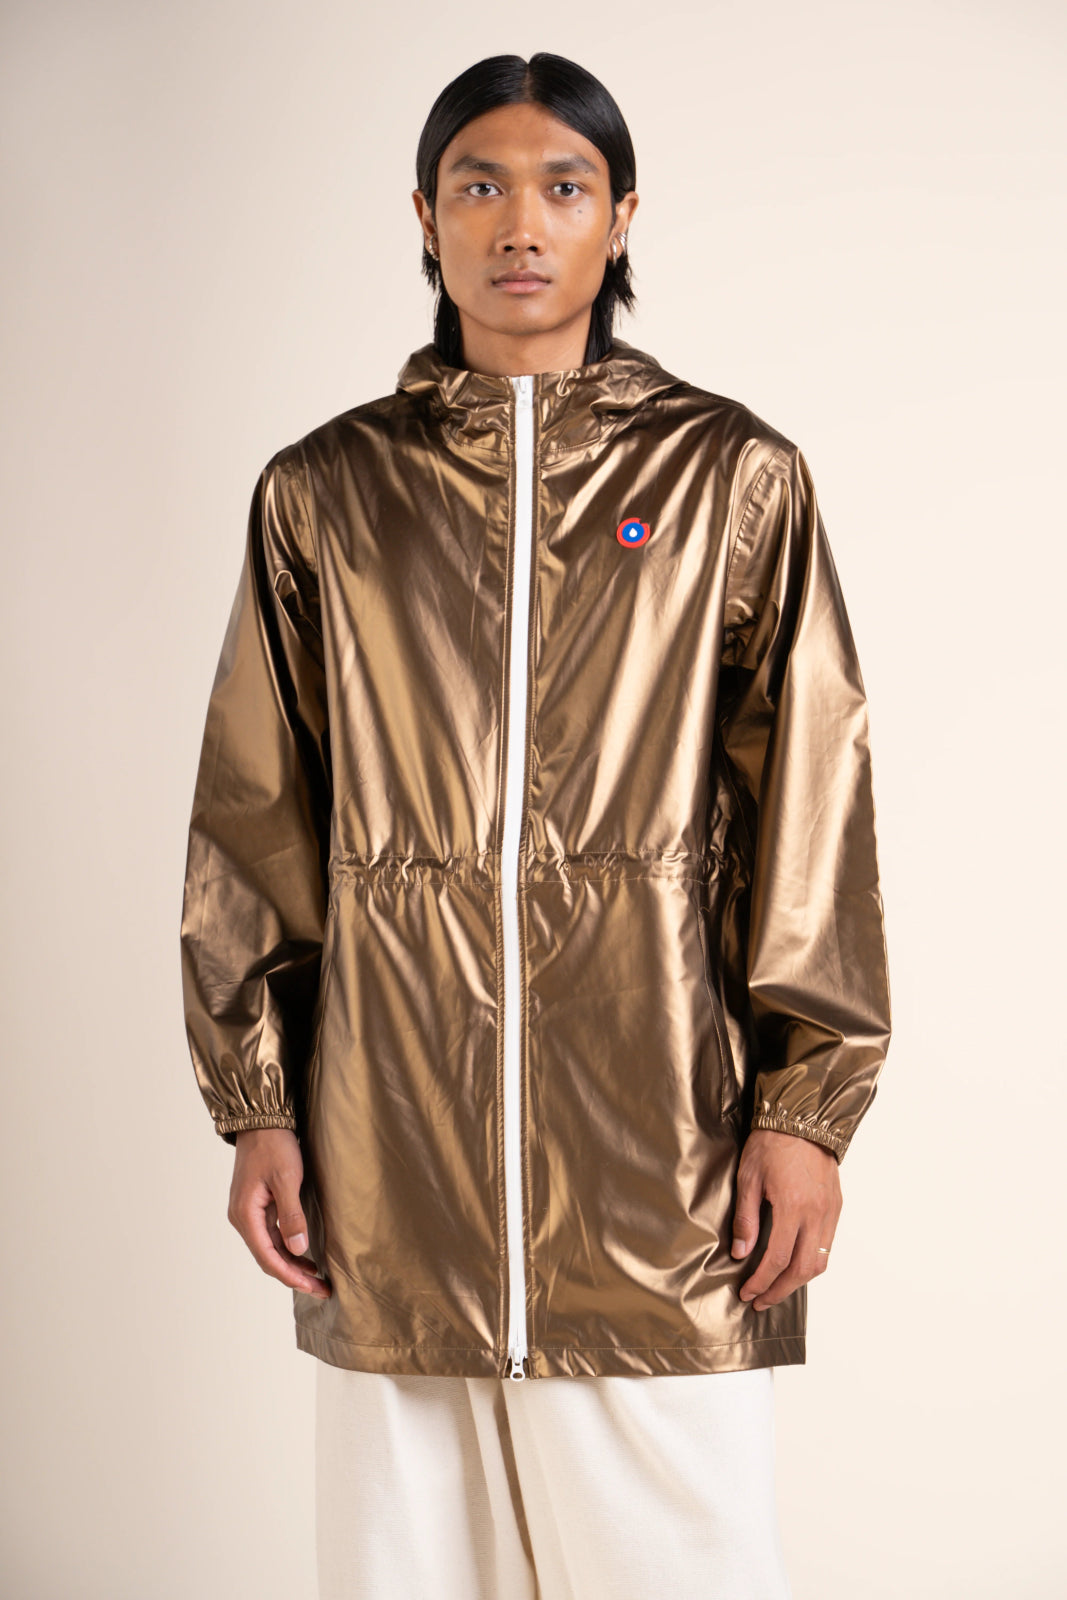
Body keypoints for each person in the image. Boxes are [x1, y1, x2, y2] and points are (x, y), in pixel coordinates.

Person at [180, 50, 892, 1600]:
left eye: (564, 186)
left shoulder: (730, 477)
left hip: (658, 1153)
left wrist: (805, 1107)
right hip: (393, 1154)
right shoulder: (328, 494)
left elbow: (811, 801)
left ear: (621, 217)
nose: (520, 224)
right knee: (406, 1573)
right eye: (479, 186)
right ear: (423, 216)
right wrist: (258, 1100)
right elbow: (257, 810)